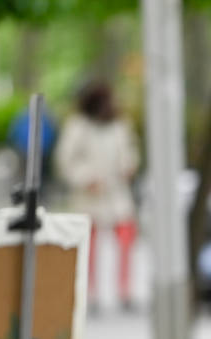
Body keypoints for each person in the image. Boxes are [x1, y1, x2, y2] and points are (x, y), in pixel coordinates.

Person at [55, 81, 140, 313]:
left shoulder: (119, 125)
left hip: (116, 193)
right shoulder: (78, 127)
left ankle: (125, 291)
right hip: (90, 196)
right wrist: (85, 178)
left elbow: (130, 152)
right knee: (89, 247)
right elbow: (66, 161)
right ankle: (90, 294)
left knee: (126, 240)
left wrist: (129, 166)